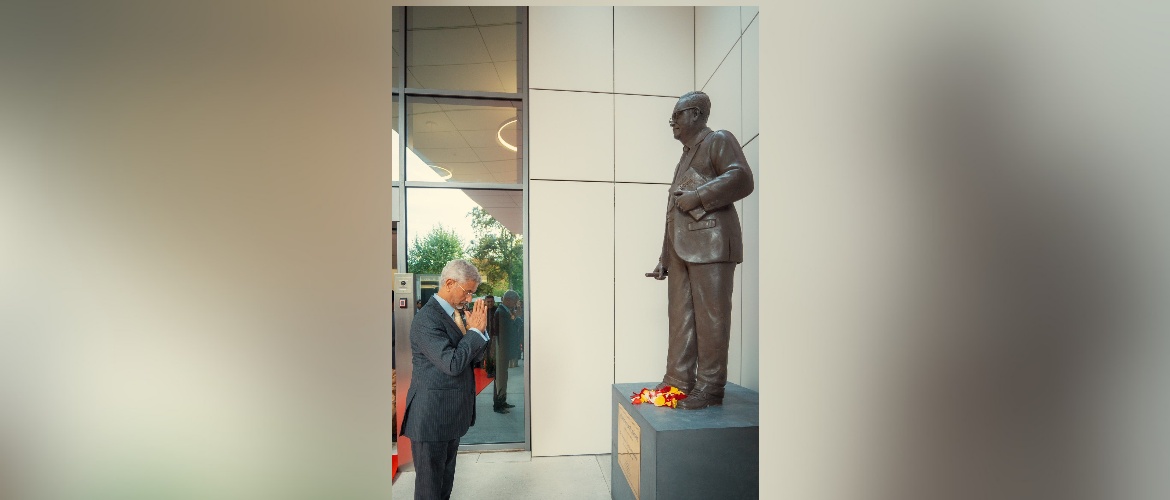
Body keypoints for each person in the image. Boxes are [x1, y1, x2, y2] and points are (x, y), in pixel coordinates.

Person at [646, 90, 754, 410]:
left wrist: (700, 196)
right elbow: (673, 211)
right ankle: (678, 380)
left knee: (712, 319)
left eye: (677, 115)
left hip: (712, 244)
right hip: (683, 250)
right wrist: (666, 256)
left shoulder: (718, 140)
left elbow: (742, 178)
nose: (672, 121)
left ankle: (710, 385)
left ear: (695, 114)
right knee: (679, 316)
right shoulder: (686, 155)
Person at [400, 259, 491, 499]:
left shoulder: (456, 315)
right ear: (450, 283)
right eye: (468, 291)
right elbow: (452, 364)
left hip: (449, 416)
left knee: (444, 485)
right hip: (431, 418)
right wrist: (474, 332)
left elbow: (472, 358)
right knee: (430, 490)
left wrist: (478, 331)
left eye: (472, 292)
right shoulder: (427, 320)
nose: (470, 298)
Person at [492, 290, 521, 413]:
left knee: (503, 376)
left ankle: (502, 401)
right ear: (508, 300)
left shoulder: (503, 311)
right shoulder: (501, 312)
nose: (515, 304)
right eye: (515, 301)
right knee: (501, 377)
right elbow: (508, 331)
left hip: (502, 349)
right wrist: (517, 318)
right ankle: (498, 405)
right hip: (501, 349)